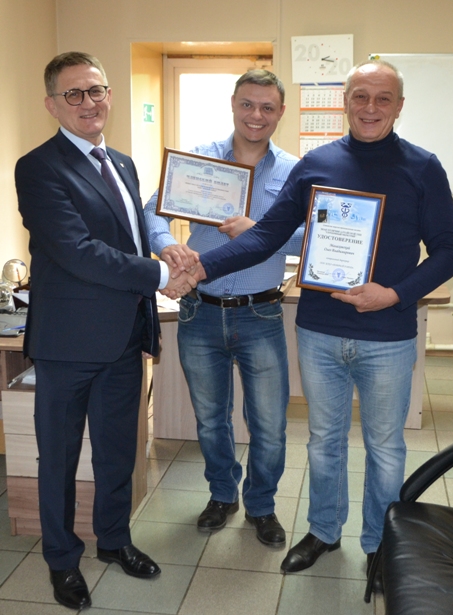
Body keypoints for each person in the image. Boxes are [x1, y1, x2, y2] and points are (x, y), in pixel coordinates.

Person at [191, 60, 453, 586]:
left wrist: (395, 294)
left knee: (385, 448)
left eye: (383, 98)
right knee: (324, 442)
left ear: (399, 106)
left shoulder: (423, 167)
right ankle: (323, 531)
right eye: (360, 96)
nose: (370, 108)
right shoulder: (316, 164)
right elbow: (265, 236)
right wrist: (202, 267)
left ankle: (380, 546)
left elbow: (449, 251)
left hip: (388, 335)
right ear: (345, 102)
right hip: (319, 333)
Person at [15, 51, 196, 610]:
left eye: (96, 90)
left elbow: (131, 234)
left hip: (124, 336)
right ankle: (61, 559)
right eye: (74, 94)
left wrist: (164, 253)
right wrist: (162, 275)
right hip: (68, 343)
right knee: (59, 457)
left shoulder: (121, 162)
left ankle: (114, 541)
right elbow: (78, 251)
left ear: (109, 95)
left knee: (118, 452)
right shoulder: (38, 168)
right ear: (52, 104)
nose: (89, 102)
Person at [144, 69, 303, 547]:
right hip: (200, 312)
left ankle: (262, 505)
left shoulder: (295, 171)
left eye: (268, 107)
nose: (256, 115)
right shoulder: (199, 160)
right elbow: (152, 212)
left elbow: (310, 236)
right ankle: (221, 495)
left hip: (261, 315)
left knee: (269, 424)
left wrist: (261, 231)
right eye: (247, 104)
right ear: (233, 104)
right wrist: (167, 246)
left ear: (280, 112)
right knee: (211, 419)